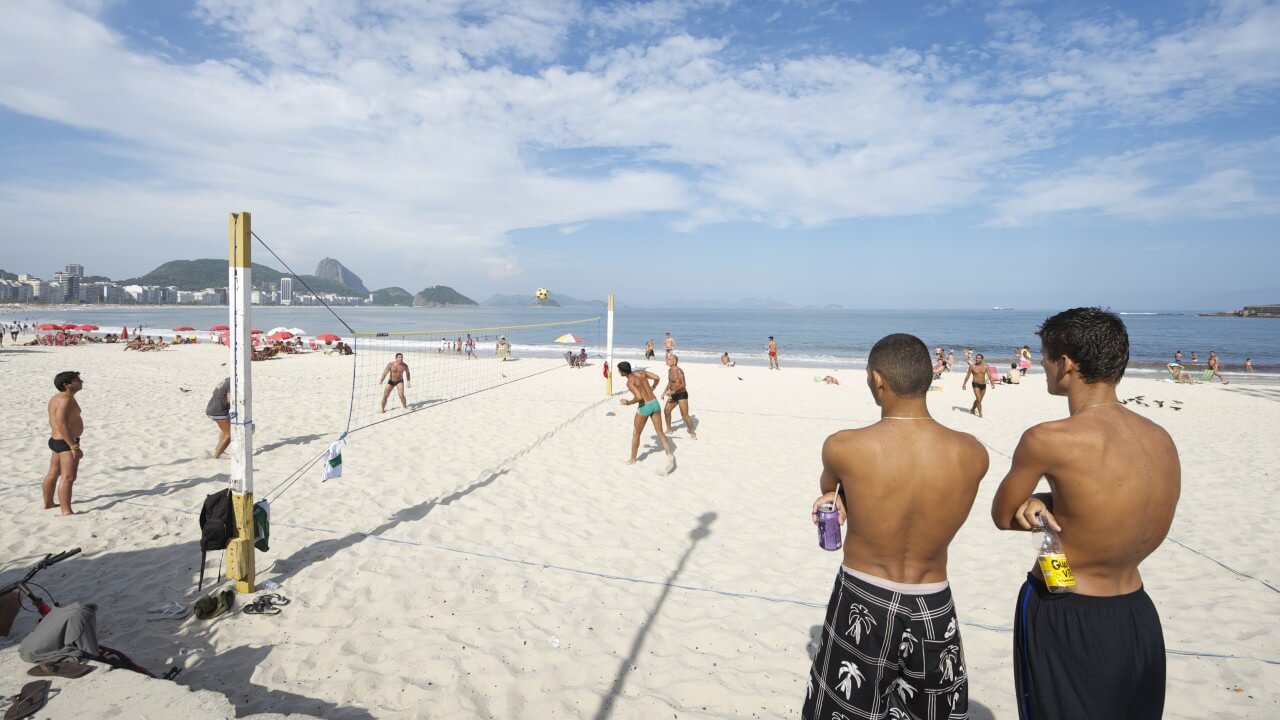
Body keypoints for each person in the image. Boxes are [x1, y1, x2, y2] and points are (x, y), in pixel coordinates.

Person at [992, 307, 1180, 720]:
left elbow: (1004, 514)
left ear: (1066, 364)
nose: (1041, 364)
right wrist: (1054, 499)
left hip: (1067, 610)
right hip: (1136, 611)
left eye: (1044, 356)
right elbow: (1115, 504)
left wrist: (1041, 498)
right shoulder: (1159, 438)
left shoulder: (1049, 438)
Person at [803, 333, 989, 720]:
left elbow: (833, 493)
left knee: (846, 710)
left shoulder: (844, 446)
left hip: (863, 596)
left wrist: (835, 504)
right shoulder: (972, 453)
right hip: (933, 601)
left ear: (877, 380)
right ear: (929, 378)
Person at [616, 361, 675, 476]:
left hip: (645, 406)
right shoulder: (641, 373)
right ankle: (669, 455)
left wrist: (627, 402)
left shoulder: (629, 382)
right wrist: (653, 387)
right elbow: (657, 378)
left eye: (619, 370)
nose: (619, 372)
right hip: (655, 403)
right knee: (660, 432)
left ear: (623, 372)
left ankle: (633, 459)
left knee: (636, 433)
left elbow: (638, 397)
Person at [44, 371, 85, 516]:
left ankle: (48, 503)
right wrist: (73, 446)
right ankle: (66, 511)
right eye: (77, 380)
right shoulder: (65, 400)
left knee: (53, 474)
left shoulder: (57, 398)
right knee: (69, 477)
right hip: (65, 442)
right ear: (67, 385)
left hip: (56, 441)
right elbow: (61, 425)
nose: (81, 381)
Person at [662, 354, 697, 439]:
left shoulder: (679, 371)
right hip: (673, 395)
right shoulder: (670, 370)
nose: (667, 360)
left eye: (670, 359)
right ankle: (669, 429)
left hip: (681, 394)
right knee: (666, 411)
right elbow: (670, 382)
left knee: (684, 415)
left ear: (674, 361)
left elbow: (683, 384)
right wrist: (664, 391)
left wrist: (673, 391)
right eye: (668, 359)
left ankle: (692, 432)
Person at [205, 376, 232, 459]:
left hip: (211, 407)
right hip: (219, 411)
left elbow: (214, 391)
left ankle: (218, 450)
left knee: (225, 431)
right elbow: (229, 399)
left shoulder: (226, 379)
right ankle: (216, 456)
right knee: (230, 434)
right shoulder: (233, 381)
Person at [962, 353, 992, 417]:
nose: (977, 359)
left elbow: (989, 375)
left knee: (979, 399)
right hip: (975, 384)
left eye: (979, 358)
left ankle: (973, 409)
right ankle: (980, 413)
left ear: (982, 359)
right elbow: (967, 375)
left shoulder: (985, 366)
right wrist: (964, 384)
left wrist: (992, 383)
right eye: (976, 358)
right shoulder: (972, 366)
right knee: (978, 399)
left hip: (983, 385)